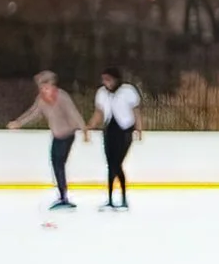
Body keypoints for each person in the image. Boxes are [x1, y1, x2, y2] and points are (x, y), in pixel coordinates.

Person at [9, 69, 89, 210]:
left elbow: (73, 113)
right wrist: (18, 123)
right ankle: (62, 195)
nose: (43, 89)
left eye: (45, 86)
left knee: (59, 164)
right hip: (57, 135)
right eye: (40, 87)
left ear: (52, 85)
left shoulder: (62, 97)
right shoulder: (41, 100)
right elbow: (33, 113)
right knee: (56, 164)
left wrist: (84, 130)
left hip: (68, 134)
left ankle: (64, 197)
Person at [95, 68, 141, 209]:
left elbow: (136, 110)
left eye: (108, 79)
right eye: (104, 79)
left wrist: (139, 128)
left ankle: (123, 198)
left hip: (125, 130)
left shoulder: (128, 90)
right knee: (111, 165)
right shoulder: (102, 93)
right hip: (109, 130)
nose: (105, 82)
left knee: (116, 164)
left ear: (116, 79)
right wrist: (89, 126)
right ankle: (109, 199)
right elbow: (99, 112)